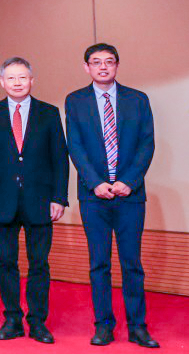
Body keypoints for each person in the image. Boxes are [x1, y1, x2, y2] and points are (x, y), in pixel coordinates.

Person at [64, 44, 159, 349]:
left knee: (132, 264)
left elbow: (147, 144)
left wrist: (129, 181)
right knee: (99, 264)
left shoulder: (138, 99)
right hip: (94, 197)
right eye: (96, 62)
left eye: (109, 61)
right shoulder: (75, 101)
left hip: (130, 195)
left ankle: (137, 327)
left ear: (117, 65)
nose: (103, 67)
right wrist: (95, 183)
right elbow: (75, 146)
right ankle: (103, 326)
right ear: (86, 67)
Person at [0, 57, 68, 345]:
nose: (17, 83)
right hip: (2, 200)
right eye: (11, 78)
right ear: (2, 82)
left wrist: (59, 197)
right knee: (6, 262)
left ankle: (38, 321)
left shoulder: (49, 113)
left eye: (22, 77)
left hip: (40, 200)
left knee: (39, 263)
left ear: (32, 80)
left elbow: (60, 158)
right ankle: (12, 319)